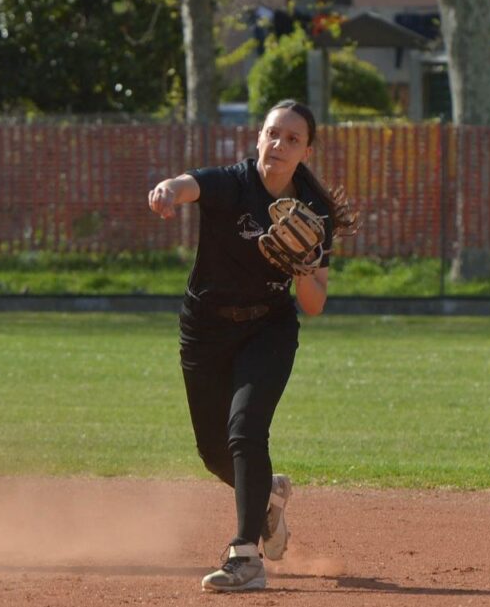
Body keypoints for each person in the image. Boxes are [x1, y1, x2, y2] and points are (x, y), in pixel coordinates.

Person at [147, 100, 357, 591]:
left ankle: (246, 557)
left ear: (306, 150)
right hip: (204, 327)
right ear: (258, 138)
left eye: (292, 138)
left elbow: (315, 302)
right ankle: (267, 502)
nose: (279, 144)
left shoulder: (314, 210)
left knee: (245, 430)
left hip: (268, 328)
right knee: (213, 451)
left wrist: (304, 265)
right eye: (272, 133)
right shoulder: (233, 182)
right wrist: (167, 191)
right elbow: (188, 183)